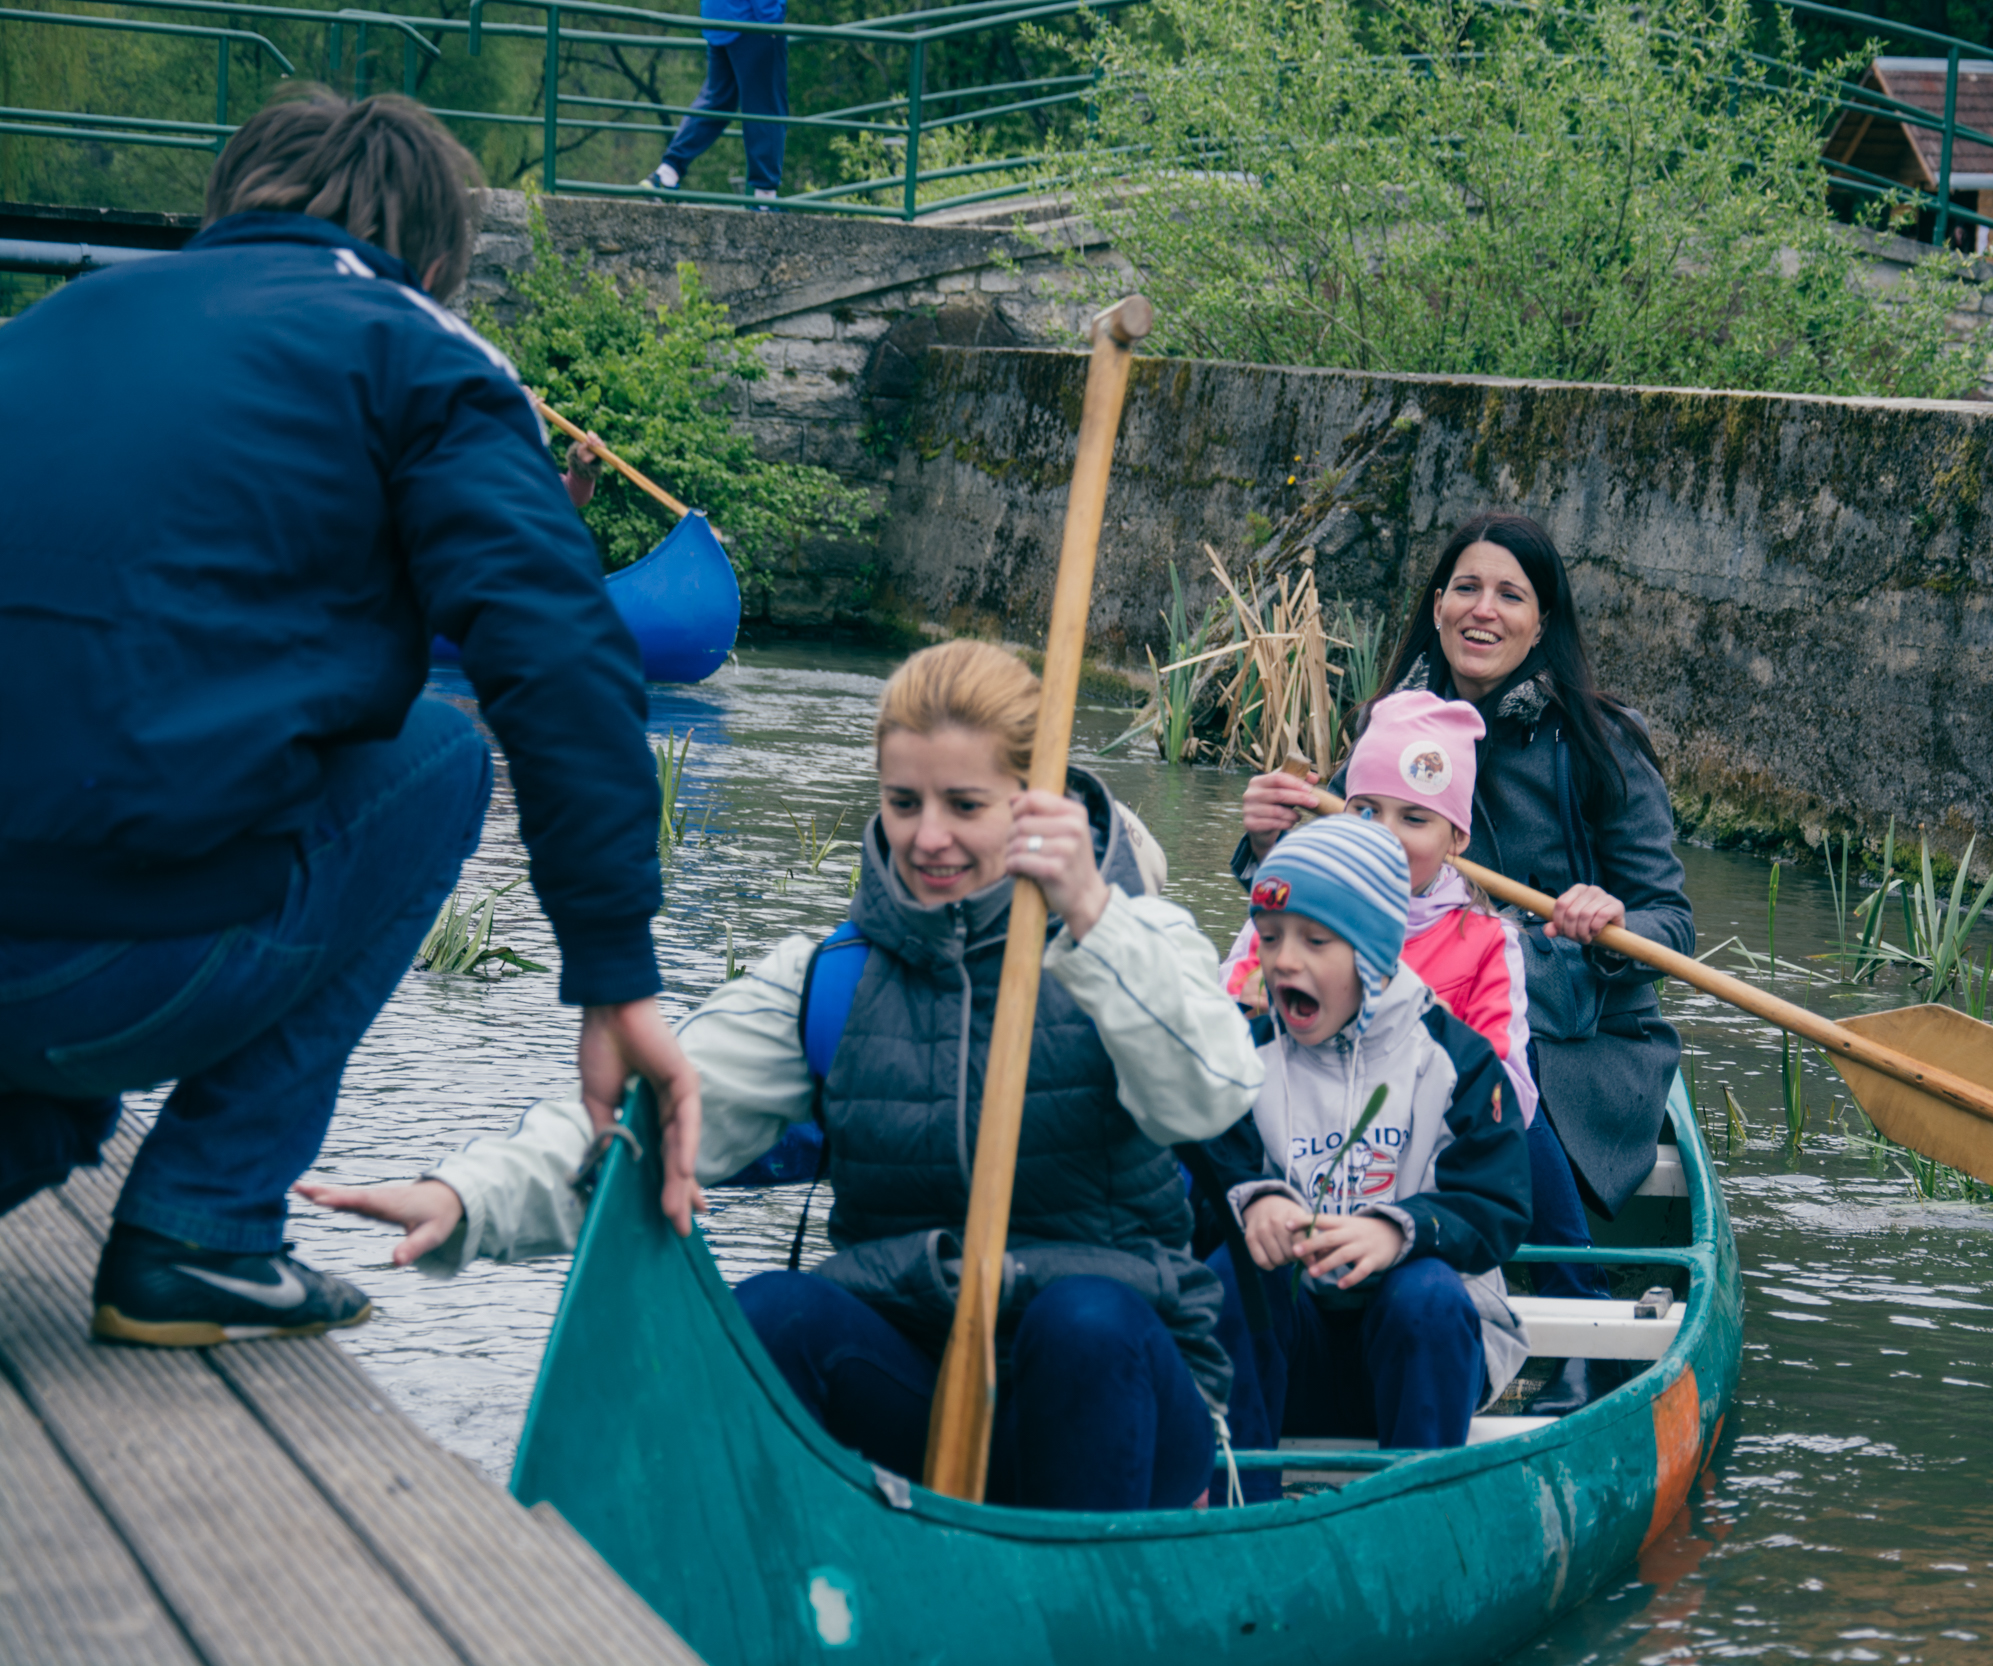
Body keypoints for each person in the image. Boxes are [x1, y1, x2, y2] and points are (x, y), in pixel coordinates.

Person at [0, 92, 701, 1348]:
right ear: (435, 261)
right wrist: (613, 969)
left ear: (228, 208)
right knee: (437, 755)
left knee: (60, 1083)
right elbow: (554, 644)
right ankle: (204, 1228)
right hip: (107, 970)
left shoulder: (57, 321)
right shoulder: (421, 350)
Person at [307, 640, 1263, 1511]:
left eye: (965, 805)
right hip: (927, 1378)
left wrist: (1090, 912)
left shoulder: (1136, 938)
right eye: (904, 802)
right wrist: (466, 1198)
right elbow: (649, 1116)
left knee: (1083, 1325)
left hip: (1126, 1395)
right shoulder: (830, 979)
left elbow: (1211, 1093)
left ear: (1033, 801)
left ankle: (1069, 1607)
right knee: (773, 1313)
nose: (927, 836)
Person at [1235, 510, 1693, 1416]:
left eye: (1510, 595)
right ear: (1438, 604)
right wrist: (1262, 843)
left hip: (1570, 1028)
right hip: (1394, 1001)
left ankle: (1574, 1302)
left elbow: (1670, 925)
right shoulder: (1384, 728)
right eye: (1467, 588)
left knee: (1482, 1062)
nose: (1484, 610)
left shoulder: (1601, 740)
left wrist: (1607, 918)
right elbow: (1311, 897)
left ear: (1542, 619)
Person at [1187, 816, 1530, 1502]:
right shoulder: (1241, 1058)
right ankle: (1237, 1511)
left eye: (1315, 940)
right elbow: (1200, 1174)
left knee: (1427, 1294)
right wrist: (1254, 1201)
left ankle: (1417, 1510)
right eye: (1270, 937)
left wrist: (1401, 1230)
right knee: (1235, 1272)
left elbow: (1497, 1204)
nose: (1284, 961)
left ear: (1375, 952)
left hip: (1421, 1360)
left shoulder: (1457, 1062)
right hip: (1290, 1358)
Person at [1219, 688, 1537, 1129]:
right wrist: (1248, 1016)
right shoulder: (1291, 902)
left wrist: (1440, 1041)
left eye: (1414, 818)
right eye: (1366, 811)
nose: (1384, 835)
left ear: (1458, 838)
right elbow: (1212, 1040)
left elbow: (1510, 1105)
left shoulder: (1489, 943)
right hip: (1287, 1136)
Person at [642, 0, 789, 204]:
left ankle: (667, 173)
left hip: (718, 18)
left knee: (717, 102)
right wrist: (771, 19)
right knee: (765, 107)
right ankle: (765, 199)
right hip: (752, 21)